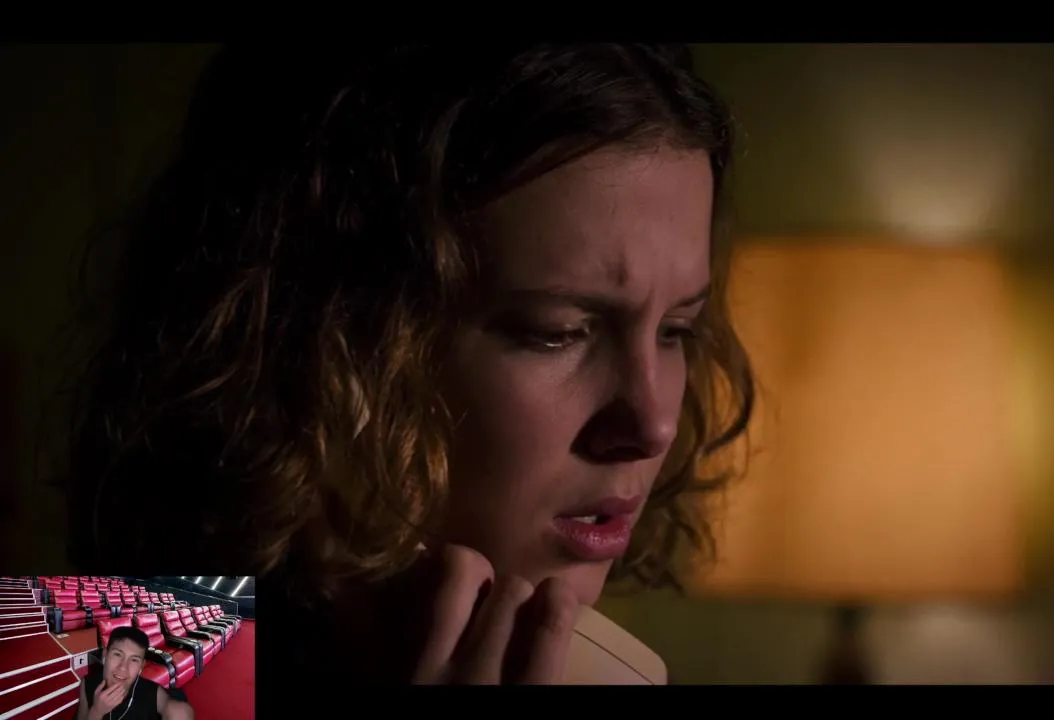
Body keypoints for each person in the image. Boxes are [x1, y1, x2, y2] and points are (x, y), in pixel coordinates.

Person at [60, 44, 754, 683]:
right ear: (330, 344)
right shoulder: (83, 670)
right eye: (556, 332)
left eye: (677, 331)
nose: (653, 424)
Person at [77, 626, 195, 719]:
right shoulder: (87, 683)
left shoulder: (153, 693)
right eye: (117, 654)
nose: (123, 667)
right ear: (105, 655)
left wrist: (179, 711)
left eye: (134, 660)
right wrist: (96, 712)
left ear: (141, 667)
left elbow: (177, 710)